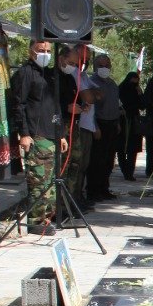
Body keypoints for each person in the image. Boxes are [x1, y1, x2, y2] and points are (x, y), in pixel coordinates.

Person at [10, 39, 68, 235]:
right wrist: (24, 133)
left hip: (52, 133)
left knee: (51, 181)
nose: (45, 54)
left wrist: (61, 134)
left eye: (48, 51)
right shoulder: (25, 73)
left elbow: (55, 105)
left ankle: (48, 218)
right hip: (36, 134)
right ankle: (37, 220)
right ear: (31, 51)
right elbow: (19, 105)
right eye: (41, 50)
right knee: (39, 180)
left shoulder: (50, 74)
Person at [56, 44, 97, 210]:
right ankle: (59, 206)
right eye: (72, 63)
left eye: (76, 64)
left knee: (76, 163)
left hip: (74, 125)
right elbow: (50, 103)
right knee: (63, 166)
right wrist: (66, 108)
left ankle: (71, 201)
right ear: (61, 59)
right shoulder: (53, 78)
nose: (74, 67)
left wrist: (81, 106)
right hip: (60, 126)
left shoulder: (71, 78)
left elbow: (81, 98)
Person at [85, 54, 120, 202]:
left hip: (112, 124)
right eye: (101, 66)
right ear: (95, 67)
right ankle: (93, 191)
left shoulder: (112, 84)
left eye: (107, 66)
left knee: (108, 160)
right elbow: (91, 108)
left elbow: (115, 104)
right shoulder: (91, 83)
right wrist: (95, 127)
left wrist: (118, 123)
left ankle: (104, 188)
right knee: (97, 160)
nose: (104, 68)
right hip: (99, 124)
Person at [117, 71, 142, 181]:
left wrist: (140, 94)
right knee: (122, 148)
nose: (134, 83)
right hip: (123, 121)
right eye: (133, 81)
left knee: (133, 148)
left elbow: (142, 105)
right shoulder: (121, 89)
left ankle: (130, 172)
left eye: (136, 81)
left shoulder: (137, 90)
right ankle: (125, 170)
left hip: (134, 122)